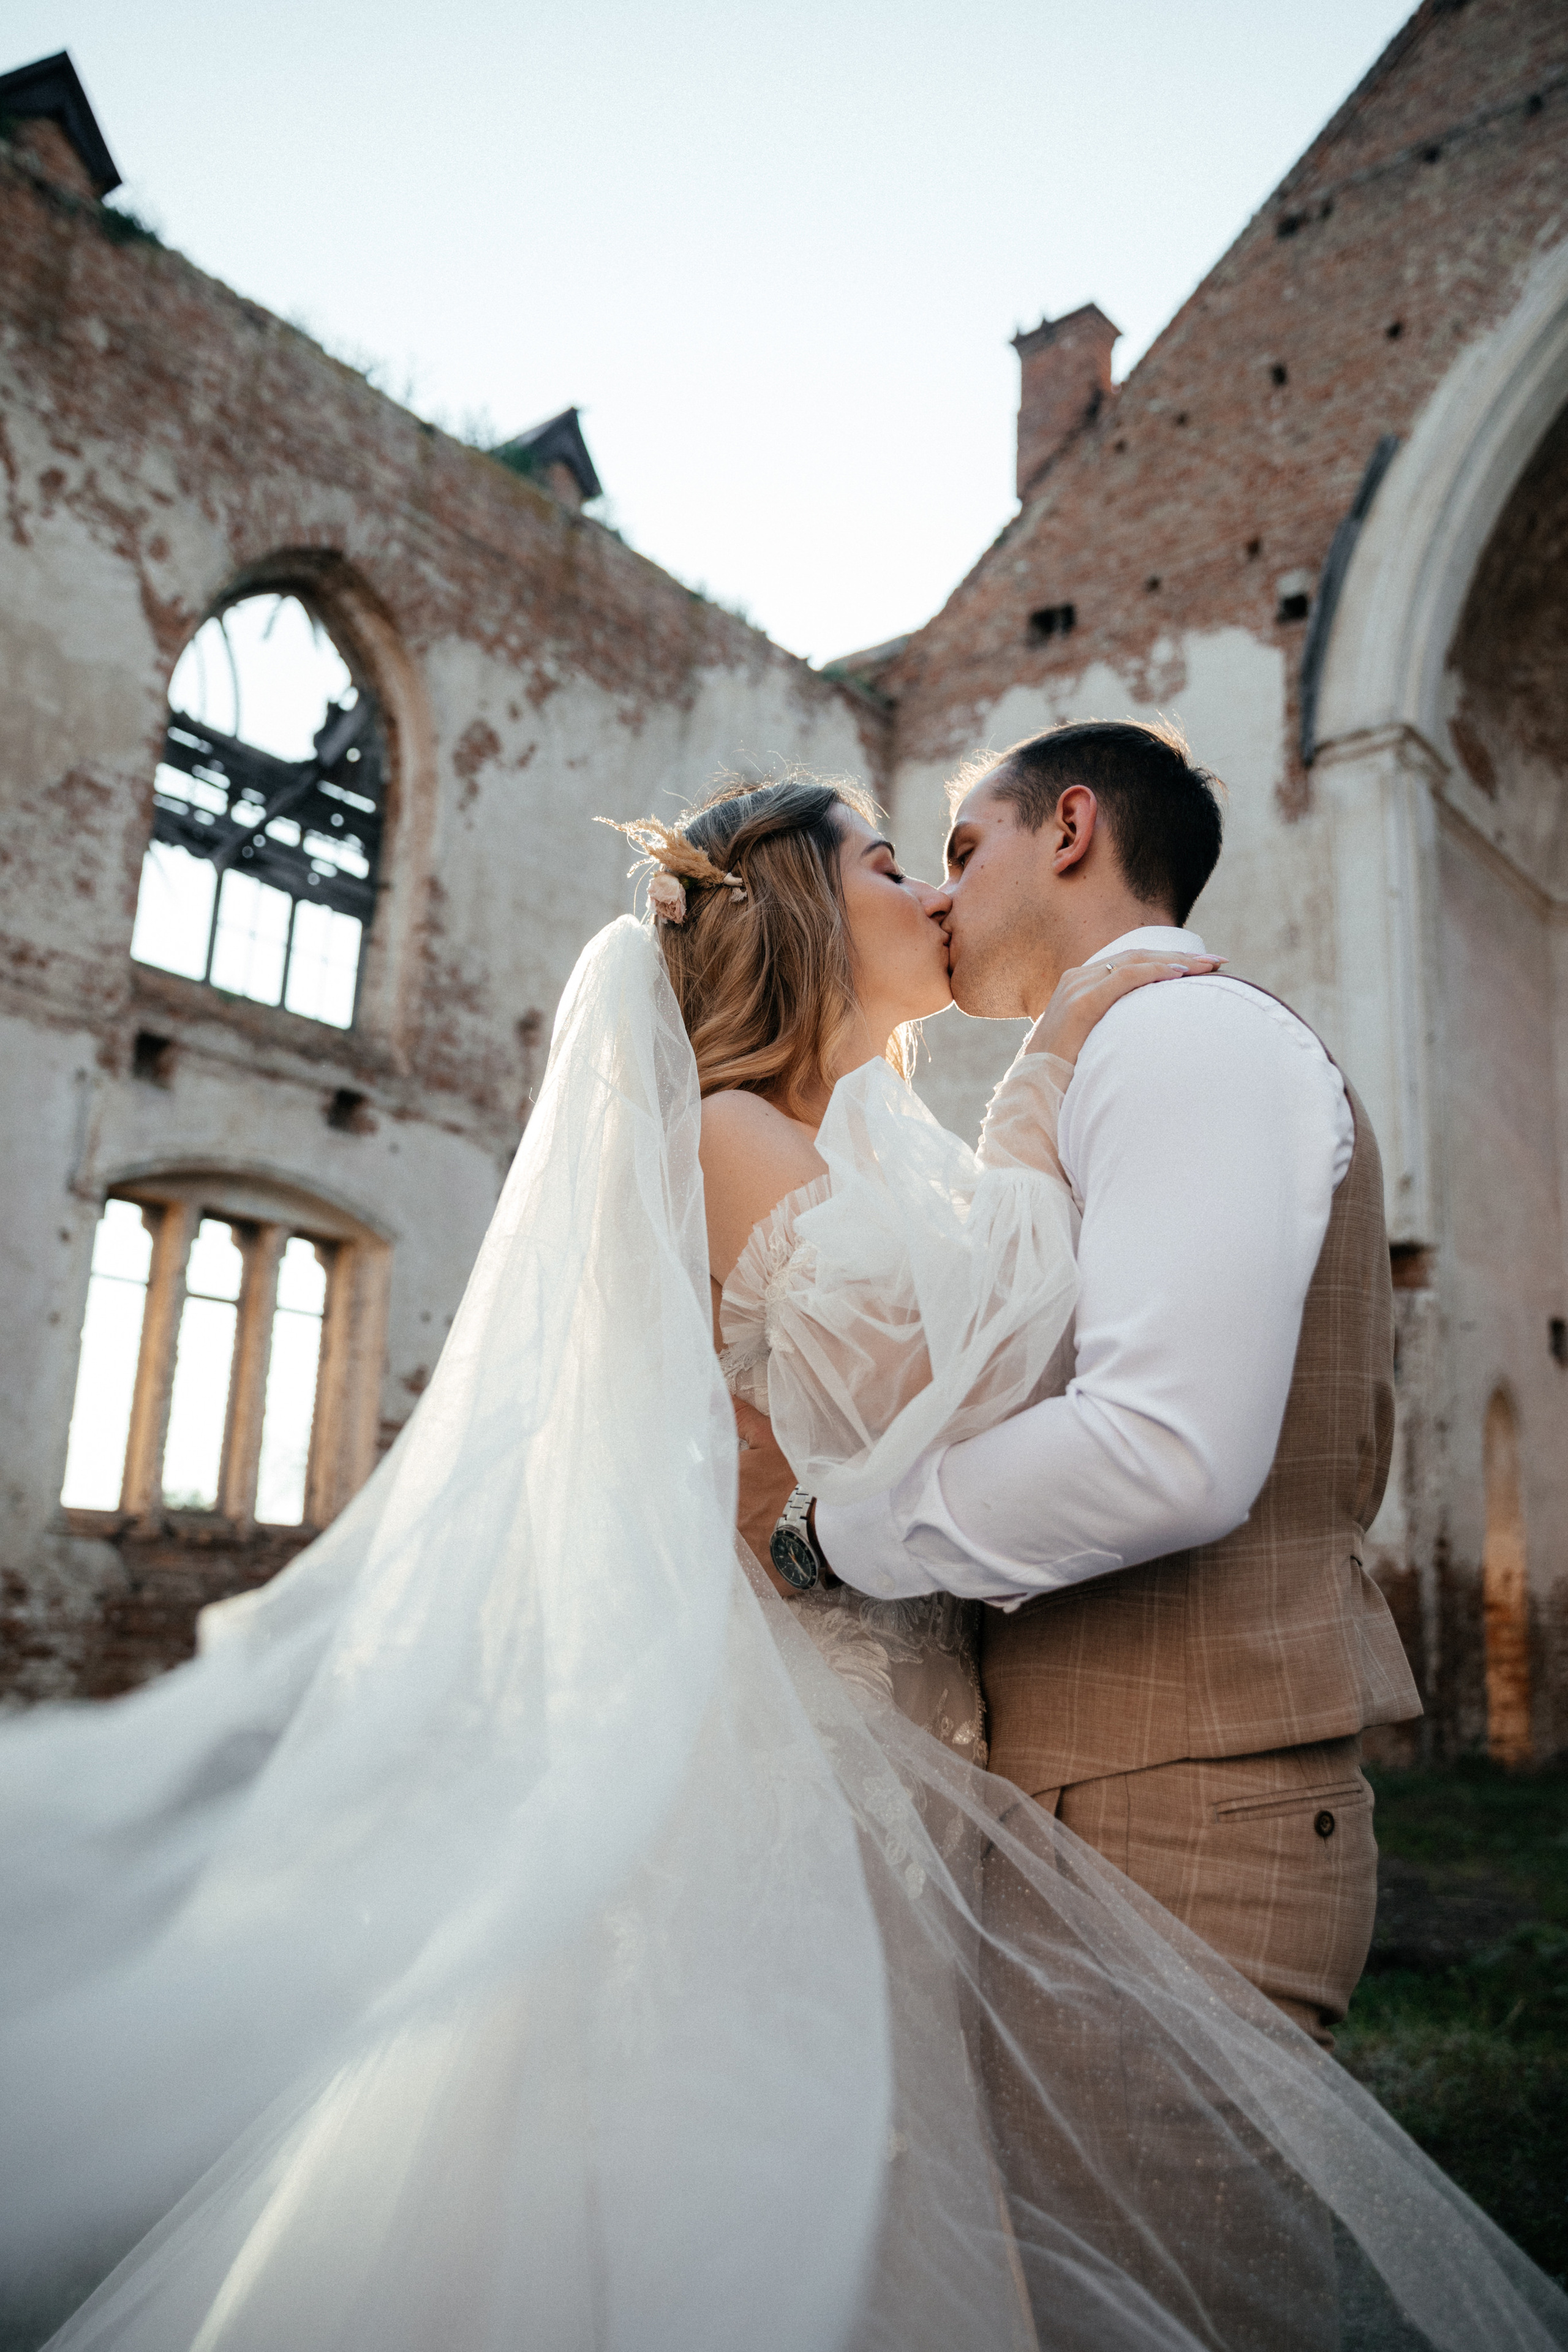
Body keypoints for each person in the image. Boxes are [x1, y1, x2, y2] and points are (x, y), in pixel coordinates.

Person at [1, 773, 1561, 2352]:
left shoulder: (875, 1145)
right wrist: (1053, 1072)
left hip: (923, 1742)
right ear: (808, 913)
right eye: (896, 865)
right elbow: (979, 1377)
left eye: (950, 858)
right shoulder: (728, 1134)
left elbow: (1009, 1356)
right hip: (808, 1751)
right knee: (782, 2187)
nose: (936, 896)